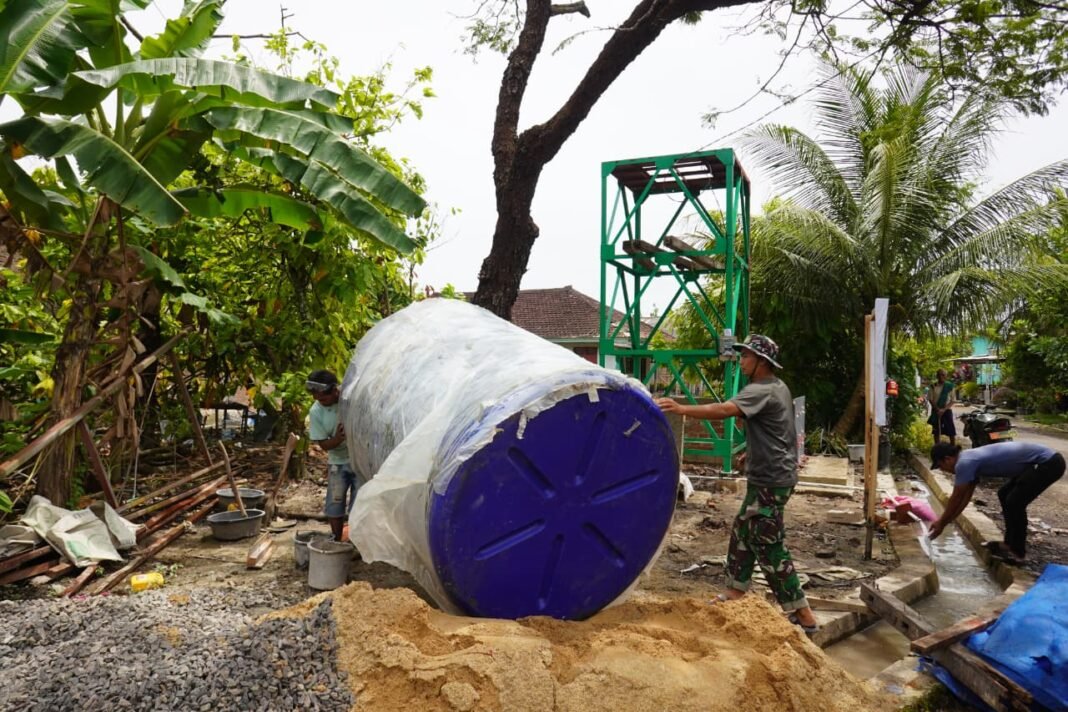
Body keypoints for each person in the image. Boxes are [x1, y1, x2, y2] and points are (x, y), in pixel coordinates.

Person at [655, 334, 819, 635]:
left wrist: (681, 409)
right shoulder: (777, 388)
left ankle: (803, 614)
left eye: (746, 356)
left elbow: (724, 410)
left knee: (768, 542)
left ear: (761, 362)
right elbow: (774, 429)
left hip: (771, 479)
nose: (741, 360)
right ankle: (735, 591)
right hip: (770, 475)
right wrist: (751, 450)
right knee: (743, 529)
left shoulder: (762, 389)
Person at [928, 441, 1065, 563]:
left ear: (947, 459)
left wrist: (941, 523)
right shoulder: (967, 459)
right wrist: (945, 522)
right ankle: (1008, 544)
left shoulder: (964, 463)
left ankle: (1018, 552)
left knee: (1015, 502)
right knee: (1004, 494)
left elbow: (956, 497)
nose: (943, 470)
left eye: (941, 466)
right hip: (1040, 462)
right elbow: (965, 497)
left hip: (1048, 463)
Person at [307, 370, 362, 541]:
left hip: (360, 461)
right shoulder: (316, 412)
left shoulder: (351, 402)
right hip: (338, 463)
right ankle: (336, 539)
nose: (319, 401)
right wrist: (338, 439)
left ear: (335, 391)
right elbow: (323, 444)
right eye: (317, 399)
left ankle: (356, 541)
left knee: (359, 504)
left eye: (323, 398)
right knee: (335, 503)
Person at [926, 369, 956, 443]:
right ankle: (937, 448)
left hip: (946, 411)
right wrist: (937, 409)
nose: (941, 376)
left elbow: (953, 400)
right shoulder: (933, 386)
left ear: (946, 376)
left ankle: (953, 448)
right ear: (937, 376)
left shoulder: (950, 386)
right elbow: (930, 399)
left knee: (951, 431)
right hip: (936, 410)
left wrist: (943, 410)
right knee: (936, 431)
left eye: (943, 375)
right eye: (939, 374)